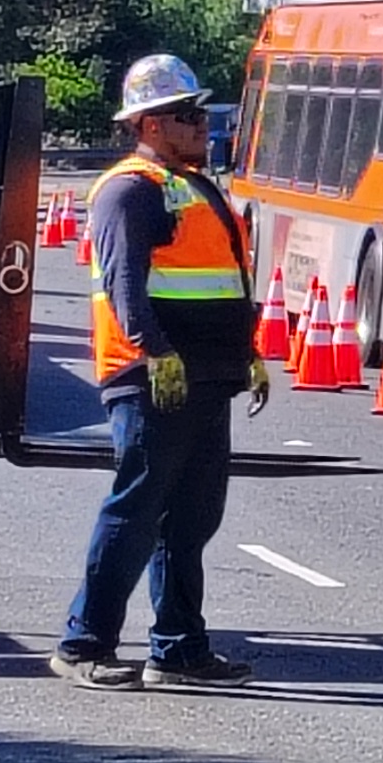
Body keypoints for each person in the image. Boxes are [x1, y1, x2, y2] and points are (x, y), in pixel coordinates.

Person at [55, 54, 268, 689]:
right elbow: (124, 284)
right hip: (153, 375)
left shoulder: (193, 184)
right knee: (138, 510)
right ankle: (83, 643)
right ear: (149, 125)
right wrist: (155, 351)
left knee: (193, 518)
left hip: (205, 372)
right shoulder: (130, 190)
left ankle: (178, 649)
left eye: (200, 112)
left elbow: (221, 279)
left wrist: (246, 352)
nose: (202, 124)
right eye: (185, 115)